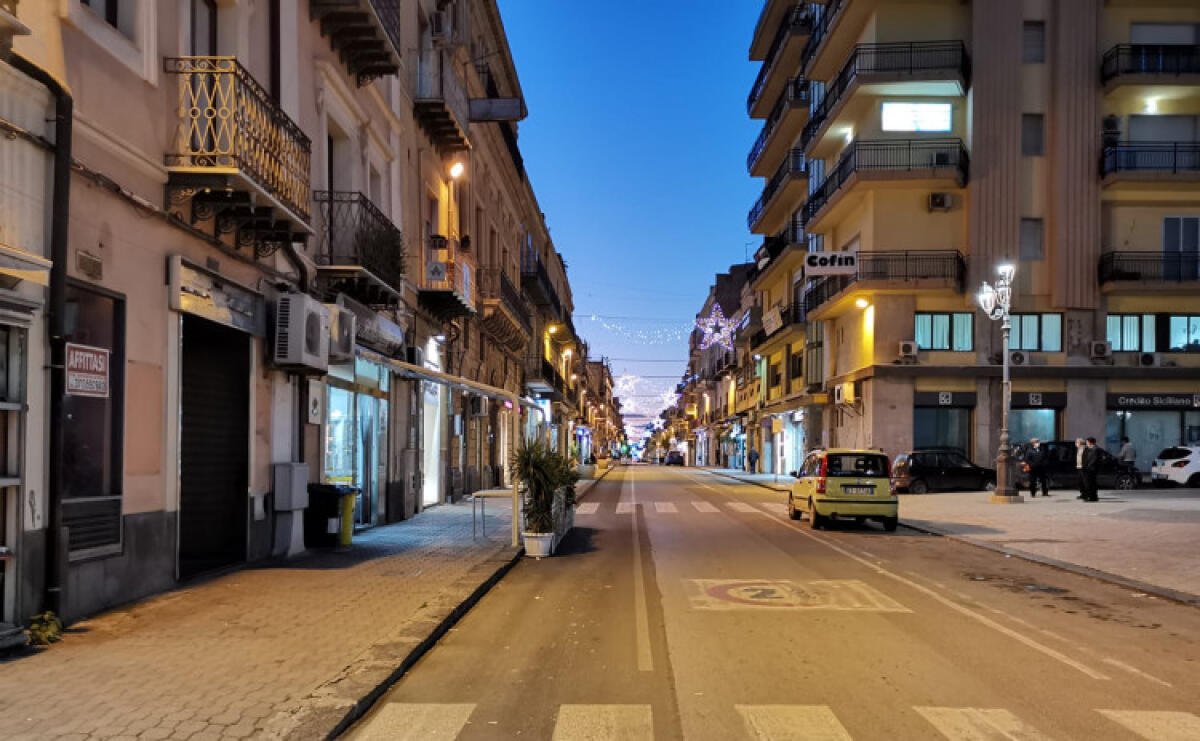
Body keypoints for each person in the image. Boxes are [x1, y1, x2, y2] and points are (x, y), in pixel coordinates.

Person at [1081, 437, 1101, 502]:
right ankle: (1092, 496)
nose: (1086, 443)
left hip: (1092, 469)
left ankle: (1091, 497)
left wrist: (1088, 466)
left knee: (1090, 483)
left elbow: (1094, 459)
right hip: (1089, 468)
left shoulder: (1096, 449)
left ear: (1090, 442)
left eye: (1087, 442)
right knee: (1091, 483)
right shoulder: (1089, 449)